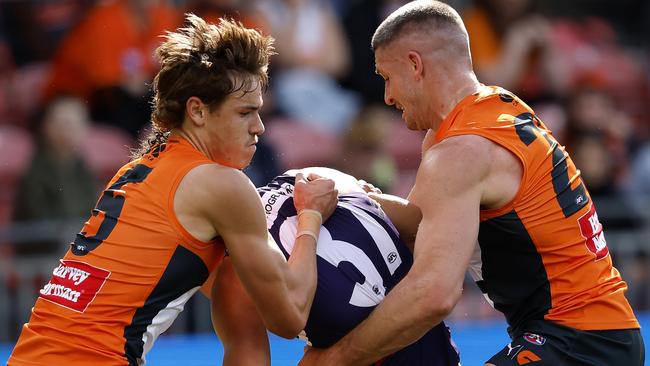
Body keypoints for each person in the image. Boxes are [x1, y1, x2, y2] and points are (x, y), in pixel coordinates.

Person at [300, 1, 645, 365]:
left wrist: (336, 358)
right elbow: (426, 227)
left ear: (415, 65)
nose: (387, 97)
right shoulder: (494, 109)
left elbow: (434, 294)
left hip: (578, 340)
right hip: (591, 335)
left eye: (387, 77)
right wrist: (360, 199)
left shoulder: (459, 152)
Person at [8, 14, 338, 366]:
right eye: (245, 112)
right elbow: (289, 316)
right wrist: (311, 216)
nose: (259, 127)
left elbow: (236, 307)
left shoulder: (138, 169)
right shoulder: (220, 184)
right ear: (197, 111)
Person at [211, 167, 460, 365]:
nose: (258, 127)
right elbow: (424, 230)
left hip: (422, 343)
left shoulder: (323, 181)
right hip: (428, 345)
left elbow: (428, 239)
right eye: (246, 112)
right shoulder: (321, 180)